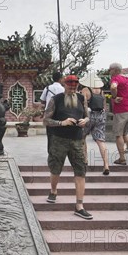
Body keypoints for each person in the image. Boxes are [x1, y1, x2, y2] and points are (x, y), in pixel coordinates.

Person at [43, 75, 93, 220]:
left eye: (75, 85)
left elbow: (87, 116)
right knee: (55, 168)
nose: (72, 87)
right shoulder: (56, 99)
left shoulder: (81, 99)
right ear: (65, 85)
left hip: (77, 140)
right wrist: (62, 123)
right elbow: (46, 120)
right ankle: (53, 190)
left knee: (81, 170)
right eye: (70, 85)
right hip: (59, 139)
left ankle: (79, 205)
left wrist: (85, 120)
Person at [80, 76, 111, 175]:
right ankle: (106, 165)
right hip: (100, 116)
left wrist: (85, 117)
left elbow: (84, 104)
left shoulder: (86, 90)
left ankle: (85, 160)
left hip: (89, 115)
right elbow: (105, 106)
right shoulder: (101, 91)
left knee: (82, 138)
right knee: (100, 141)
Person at [39, 72, 65, 152]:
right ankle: (59, 151)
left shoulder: (47, 88)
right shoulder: (63, 89)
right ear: (60, 79)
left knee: (50, 134)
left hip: (49, 114)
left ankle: (50, 151)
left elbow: (42, 100)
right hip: (60, 113)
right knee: (60, 133)